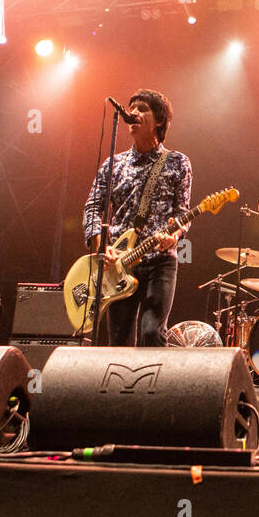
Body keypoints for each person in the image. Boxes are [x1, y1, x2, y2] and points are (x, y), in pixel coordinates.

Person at [83, 90, 191, 346]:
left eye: (142, 108)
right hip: (119, 263)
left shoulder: (178, 162)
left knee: (152, 333)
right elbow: (92, 208)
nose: (134, 113)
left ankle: (154, 386)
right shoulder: (114, 164)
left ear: (160, 121)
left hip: (160, 261)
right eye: (132, 108)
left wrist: (173, 236)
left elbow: (183, 214)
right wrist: (101, 248)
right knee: (119, 340)